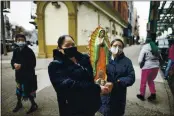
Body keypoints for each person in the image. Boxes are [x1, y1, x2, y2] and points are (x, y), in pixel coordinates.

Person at [48, 35, 109, 116]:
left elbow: (94, 74)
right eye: (67, 45)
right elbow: (69, 86)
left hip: (90, 106)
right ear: (59, 48)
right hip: (72, 109)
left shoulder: (84, 58)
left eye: (73, 44)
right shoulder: (55, 65)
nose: (71, 47)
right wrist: (97, 89)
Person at [99, 39, 135, 116]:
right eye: (115, 46)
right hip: (105, 94)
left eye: (120, 46)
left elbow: (131, 77)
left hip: (119, 94)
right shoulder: (104, 59)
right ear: (110, 47)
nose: (117, 48)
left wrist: (118, 81)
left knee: (117, 112)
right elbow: (98, 72)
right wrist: (100, 80)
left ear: (122, 48)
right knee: (105, 111)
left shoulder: (127, 61)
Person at [11, 34, 38, 114]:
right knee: (18, 91)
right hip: (19, 75)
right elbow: (12, 60)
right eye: (18, 40)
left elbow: (33, 63)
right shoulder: (16, 50)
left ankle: (34, 105)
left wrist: (22, 65)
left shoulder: (29, 51)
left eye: (22, 40)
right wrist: (14, 65)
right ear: (16, 41)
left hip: (28, 76)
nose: (20, 41)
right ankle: (19, 103)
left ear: (25, 41)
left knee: (29, 91)